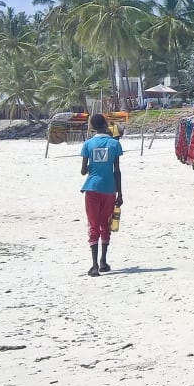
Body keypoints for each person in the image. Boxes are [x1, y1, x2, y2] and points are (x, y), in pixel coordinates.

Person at [79, 113, 123, 277]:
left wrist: (92, 166)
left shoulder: (88, 144)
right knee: (106, 224)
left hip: (91, 188)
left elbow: (83, 171)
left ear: (92, 126)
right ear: (105, 124)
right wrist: (120, 193)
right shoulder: (114, 144)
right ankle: (103, 261)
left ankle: (94, 265)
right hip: (109, 189)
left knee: (93, 225)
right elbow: (117, 171)